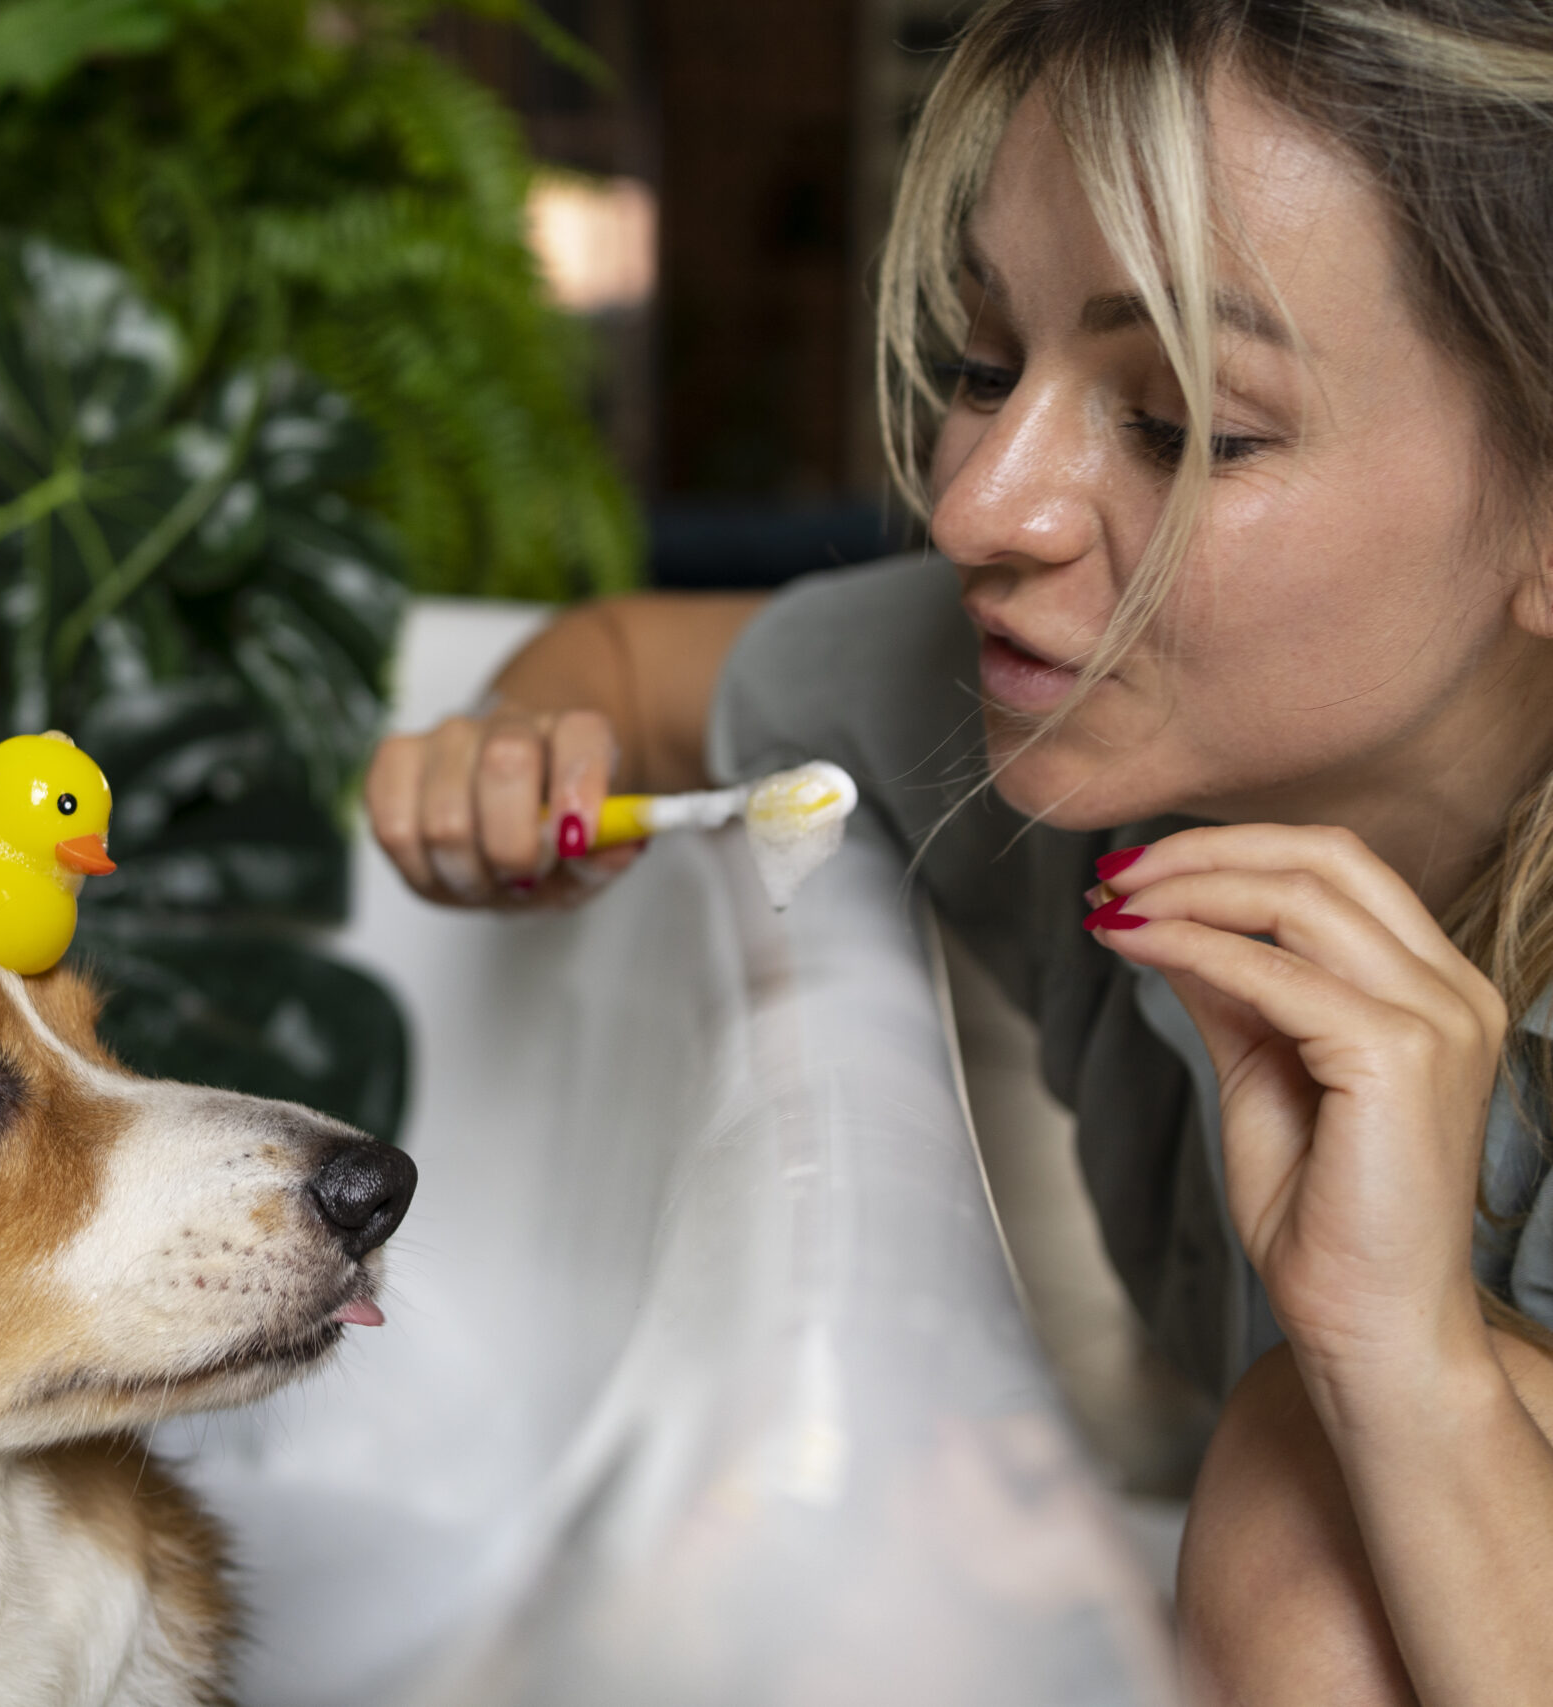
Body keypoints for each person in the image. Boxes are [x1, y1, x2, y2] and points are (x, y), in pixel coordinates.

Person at [364, 0, 1553, 1698]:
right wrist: (511, 766)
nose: (982, 505)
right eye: (988, 364)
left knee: (1312, 1515)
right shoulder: (1064, 704)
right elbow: (622, 669)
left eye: (1185, 424)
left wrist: (1403, 1361)